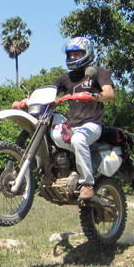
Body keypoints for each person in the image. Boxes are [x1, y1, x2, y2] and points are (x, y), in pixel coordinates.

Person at [54, 36, 114, 202]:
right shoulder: (66, 78)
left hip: (92, 124)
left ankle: (87, 183)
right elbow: (50, 91)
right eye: (70, 54)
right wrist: (27, 101)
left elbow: (109, 94)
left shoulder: (98, 72)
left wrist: (94, 96)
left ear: (87, 53)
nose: (73, 57)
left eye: (77, 53)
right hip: (71, 124)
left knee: (79, 139)